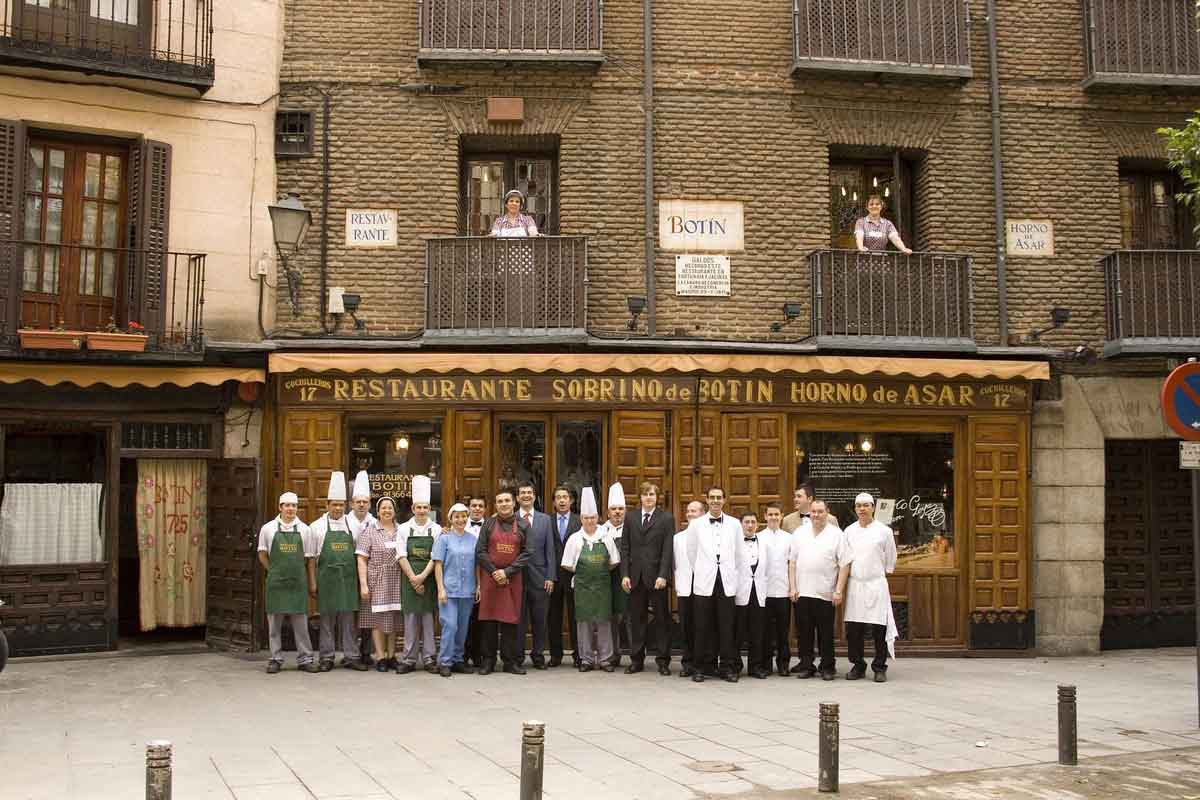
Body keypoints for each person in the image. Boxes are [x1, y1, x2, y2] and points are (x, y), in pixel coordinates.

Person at [306, 471, 364, 672]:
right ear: (327, 505)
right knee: (326, 620)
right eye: (334, 504)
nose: (338, 508)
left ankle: (351, 655)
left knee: (349, 621)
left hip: (348, 580)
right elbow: (311, 558)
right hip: (327, 580)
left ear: (345, 505)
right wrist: (313, 582)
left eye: (341, 504)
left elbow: (360, 555)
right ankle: (326, 656)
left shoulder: (353, 526)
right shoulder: (317, 527)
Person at [560, 487, 621, 672]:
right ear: (581, 519)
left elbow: (614, 561)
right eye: (586, 518)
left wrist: (598, 571)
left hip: (603, 586)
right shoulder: (574, 539)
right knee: (583, 622)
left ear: (597, 518)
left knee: (604, 621)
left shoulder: (606, 537)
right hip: (582, 587)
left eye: (592, 518)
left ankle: (605, 659)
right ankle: (585, 659)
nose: (589, 521)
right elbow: (567, 564)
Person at [789, 499, 851, 681]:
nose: (816, 515)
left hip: (825, 592)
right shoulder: (799, 533)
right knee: (804, 632)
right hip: (802, 592)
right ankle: (807, 665)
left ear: (827, 512)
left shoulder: (836, 534)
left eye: (820, 511)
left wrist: (838, 590)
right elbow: (792, 562)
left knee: (825, 633)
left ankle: (827, 667)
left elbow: (845, 564)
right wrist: (792, 587)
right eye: (813, 512)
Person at [619, 481, 676, 676]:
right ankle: (636, 660)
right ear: (640, 497)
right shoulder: (631, 517)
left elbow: (668, 549)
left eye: (652, 494)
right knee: (637, 620)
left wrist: (663, 575)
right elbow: (624, 547)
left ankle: (663, 661)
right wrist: (624, 574)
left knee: (661, 619)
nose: (649, 497)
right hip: (636, 576)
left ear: (657, 497)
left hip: (656, 577)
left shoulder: (666, 519)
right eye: (645, 494)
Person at [475, 488, 533, 675]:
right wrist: (494, 572)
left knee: (511, 622)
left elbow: (528, 553)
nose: (504, 504)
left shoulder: (524, 525)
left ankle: (510, 662)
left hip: (513, 579)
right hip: (491, 579)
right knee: (489, 622)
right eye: (500, 501)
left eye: (507, 500)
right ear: (496, 505)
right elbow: (480, 551)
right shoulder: (488, 524)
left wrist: (507, 572)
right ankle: (488, 661)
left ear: (513, 503)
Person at [687, 486, 742, 683]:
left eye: (719, 497)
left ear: (724, 500)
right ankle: (700, 667)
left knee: (726, 626)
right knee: (702, 626)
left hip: (726, 580)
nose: (716, 501)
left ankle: (726, 667)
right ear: (707, 501)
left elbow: (739, 554)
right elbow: (691, 552)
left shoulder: (735, 524)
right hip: (704, 581)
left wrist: (730, 574)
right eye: (712, 498)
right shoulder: (696, 524)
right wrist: (703, 570)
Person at [843, 492, 899, 682]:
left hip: (876, 584)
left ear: (873, 507)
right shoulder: (849, 531)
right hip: (855, 585)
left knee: (879, 628)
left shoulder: (884, 531)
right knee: (854, 630)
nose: (862, 509)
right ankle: (858, 665)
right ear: (855, 509)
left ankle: (879, 667)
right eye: (859, 506)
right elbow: (845, 558)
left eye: (866, 505)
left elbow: (891, 558)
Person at [259, 492, 316, 674]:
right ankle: (275, 658)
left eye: (294, 505)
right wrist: (274, 571)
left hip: (297, 584)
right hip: (276, 584)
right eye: (287, 505)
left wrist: (302, 577)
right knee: (274, 625)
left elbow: (308, 558)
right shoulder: (267, 529)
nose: (291, 509)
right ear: (280, 507)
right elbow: (262, 554)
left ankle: (305, 658)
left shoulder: (305, 530)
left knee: (301, 625)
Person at [396, 476, 441, 674]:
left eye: (425, 507)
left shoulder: (436, 529)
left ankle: (430, 658)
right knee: (411, 619)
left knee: (429, 619)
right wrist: (414, 578)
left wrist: (422, 577)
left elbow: (435, 557)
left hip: (429, 579)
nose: (422, 511)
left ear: (429, 508)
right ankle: (409, 658)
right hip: (409, 579)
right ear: (413, 509)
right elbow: (401, 555)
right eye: (418, 507)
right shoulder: (404, 528)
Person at [356, 496, 404, 672]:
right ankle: (380, 656)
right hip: (376, 579)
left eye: (390, 508)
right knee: (377, 621)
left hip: (396, 578)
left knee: (394, 619)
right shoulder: (370, 531)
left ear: (394, 510)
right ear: (377, 511)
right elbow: (361, 559)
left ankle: (392, 655)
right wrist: (363, 584)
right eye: (383, 508)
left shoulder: (402, 530)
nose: (386, 511)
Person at [433, 502, 480, 678]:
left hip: (467, 590)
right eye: (457, 516)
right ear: (450, 519)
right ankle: (445, 661)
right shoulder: (444, 538)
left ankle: (458, 660)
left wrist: (479, 585)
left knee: (462, 628)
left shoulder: (473, 539)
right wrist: (440, 589)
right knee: (450, 626)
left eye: (463, 516)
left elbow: (476, 565)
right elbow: (438, 564)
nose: (460, 519)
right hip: (449, 590)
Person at [515, 482, 556, 669]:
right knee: (518, 620)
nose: (526, 495)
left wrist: (550, 576)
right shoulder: (509, 518)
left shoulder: (545, 519)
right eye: (522, 493)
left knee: (540, 619)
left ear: (534, 496)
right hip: (516, 577)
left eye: (529, 492)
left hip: (540, 577)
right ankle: (518, 656)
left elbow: (550, 550)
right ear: (517, 498)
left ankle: (538, 654)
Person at [757, 504, 793, 676]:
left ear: (782, 516)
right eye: (770, 514)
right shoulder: (758, 537)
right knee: (764, 630)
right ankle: (765, 663)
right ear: (765, 516)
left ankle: (783, 663)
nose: (773, 517)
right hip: (763, 591)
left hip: (783, 590)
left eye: (776, 514)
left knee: (782, 630)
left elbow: (792, 564)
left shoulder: (789, 538)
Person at [734, 512, 771, 680]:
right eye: (746, 522)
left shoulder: (764, 543)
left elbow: (768, 568)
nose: (750, 525)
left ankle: (755, 666)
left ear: (757, 524)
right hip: (740, 592)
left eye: (753, 522)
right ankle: (735, 665)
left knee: (757, 632)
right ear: (741, 524)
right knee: (737, 632)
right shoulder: (734, 544)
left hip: (758, 592)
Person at [548, 485, 581, 667]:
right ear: (553, 502)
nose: (561, 500)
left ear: (571, 501)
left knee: (575, 615)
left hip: (574, 575)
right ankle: (555, 655)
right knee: (553, 617)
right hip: (554, 576)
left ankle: (578, 654)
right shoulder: (548, 521)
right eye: (558, 497)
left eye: (565, 497)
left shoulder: (579, 521)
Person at [346, 470, 376, 665]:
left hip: (369, 574)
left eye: (365, 501)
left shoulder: (375, 523)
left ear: (370, 504)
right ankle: (350, 653)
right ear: (351, 503)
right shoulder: (343, 522)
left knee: (368, 614)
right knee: (349, 615)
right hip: (347, 574)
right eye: (358, 501)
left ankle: (366, 652)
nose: (362, 504)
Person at [673, 500, 705, 679]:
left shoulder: (707, 536)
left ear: (702, 514)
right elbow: (675, 563)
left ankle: (704, 662)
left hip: (704, 588)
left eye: (695, 511)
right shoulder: (678, 538)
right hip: (685, 587)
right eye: (689, 511)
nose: (691, 514)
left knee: (703, 626)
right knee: (686, 627)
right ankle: (687, 663)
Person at [600, 482, 630, 667]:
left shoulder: (632, 529)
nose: (617, 512)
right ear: (608, 512)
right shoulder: (601, 531)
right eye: (614, 509)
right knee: (610, 619)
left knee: (630, 617)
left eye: (620, 509)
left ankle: (636, 655)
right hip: (607, 581)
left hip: (628, 580)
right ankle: (612, 654)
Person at [462, 495, 488, 667]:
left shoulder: (492, 526)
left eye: (480, 506)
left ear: (485, 509)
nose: (477, 508)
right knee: (464, 617)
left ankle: (479, 654)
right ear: (469, 508)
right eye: (474, 505)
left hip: (486, 577)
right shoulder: (459, 525)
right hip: (464, 577)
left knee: (481, 618)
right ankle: (463, 654)